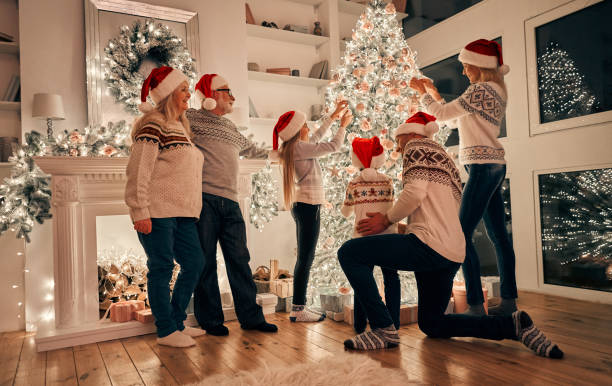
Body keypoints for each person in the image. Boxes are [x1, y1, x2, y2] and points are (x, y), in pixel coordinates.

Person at [337, 112, 563, 359]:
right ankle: (512, 326)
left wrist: (386, 219)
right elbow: (440, 209)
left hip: (428, 245)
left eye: (398, 140)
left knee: (349, 253)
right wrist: (404, 228)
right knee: (432, 324)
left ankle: (382, 329)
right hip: (451, 251)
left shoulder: (417, 145)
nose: (399, 148)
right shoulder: (445, 158)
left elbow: (414, 193)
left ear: (410, 133)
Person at [411, 39, 517, 316]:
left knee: (460, 235)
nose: (463, 72)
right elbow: (454, 118)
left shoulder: (480, 90)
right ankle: (508, 301)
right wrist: (435, 94)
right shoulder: (493, 90)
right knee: (498, 236)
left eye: (466, 66)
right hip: (490, 165)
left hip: (483, 166)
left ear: (479, 66)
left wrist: (424, 94)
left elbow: (443, 115)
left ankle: (475, 306)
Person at [187, 73, 277, 335]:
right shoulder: (191, 118)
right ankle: (211, 320)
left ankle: (251, 318)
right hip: (204, 200)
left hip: (231, 202)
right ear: (212, 95)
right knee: (205, 263)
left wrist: (284, 152)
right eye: (228, 91)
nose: (234, 97)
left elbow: (254, 150)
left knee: (239, 259)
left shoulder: (230, 128)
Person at [125, 66, 205, 347]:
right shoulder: (153, 123)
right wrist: (139, 210)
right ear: (169, 93)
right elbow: (139, 170)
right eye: (183, 89)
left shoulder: (180, 128)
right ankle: (166, 331)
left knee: (195, 263)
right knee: (161, 268)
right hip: (157, 212)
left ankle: (177, 322)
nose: (189, 94)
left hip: (183, 214)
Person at [270, 102, 352, 322]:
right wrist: (343, 126)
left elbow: (316, 136)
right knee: (306, 257)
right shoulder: (298, 147)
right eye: (305, 125)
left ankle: (298, 307)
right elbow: (332, 146)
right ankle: (298, 308)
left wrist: (333, 117)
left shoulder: (295, 147)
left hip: (304, 206)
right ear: (298, 131)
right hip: (308, 206)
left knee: (305, 257)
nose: (308, 128)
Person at [340, 136, 400, 333]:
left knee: (362, 279)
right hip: (388, 236)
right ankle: (394, 323)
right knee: (391, 278)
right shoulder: (388, 181)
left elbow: (346, 211)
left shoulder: (355, 183)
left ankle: (359, 325)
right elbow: (391, 207)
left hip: (362, 238)